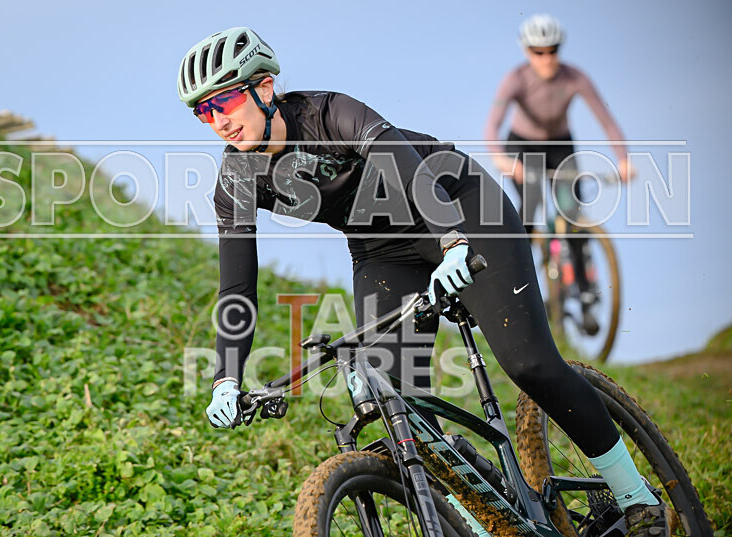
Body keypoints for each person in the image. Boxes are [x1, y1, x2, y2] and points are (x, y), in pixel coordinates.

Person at [178, 26, 667, 536]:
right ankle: (485, 494)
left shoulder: (329, 113)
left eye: (226, 100)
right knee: (393, 403)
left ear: (264, 87)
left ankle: (639, 500)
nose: (218, 121)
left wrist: (453, 243)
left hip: (458, 205)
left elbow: (406, 166)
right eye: (203, 111)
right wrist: (226, 377)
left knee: (528, 363)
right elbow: (237, 287)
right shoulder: (235, 180)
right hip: (381, 248)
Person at [484, 14, 634, 335]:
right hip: (522, 147)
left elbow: (606, 120)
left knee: (573, 216)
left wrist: (623, 160)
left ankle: (587, 294)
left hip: (559, 146)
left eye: (552, 50)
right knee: (530, 208)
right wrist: (503, 161)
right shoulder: (516, 79)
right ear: (527, 51)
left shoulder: (574, 78)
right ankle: (518, 286)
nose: (546, 58)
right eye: (538, 52)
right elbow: (491, 127)